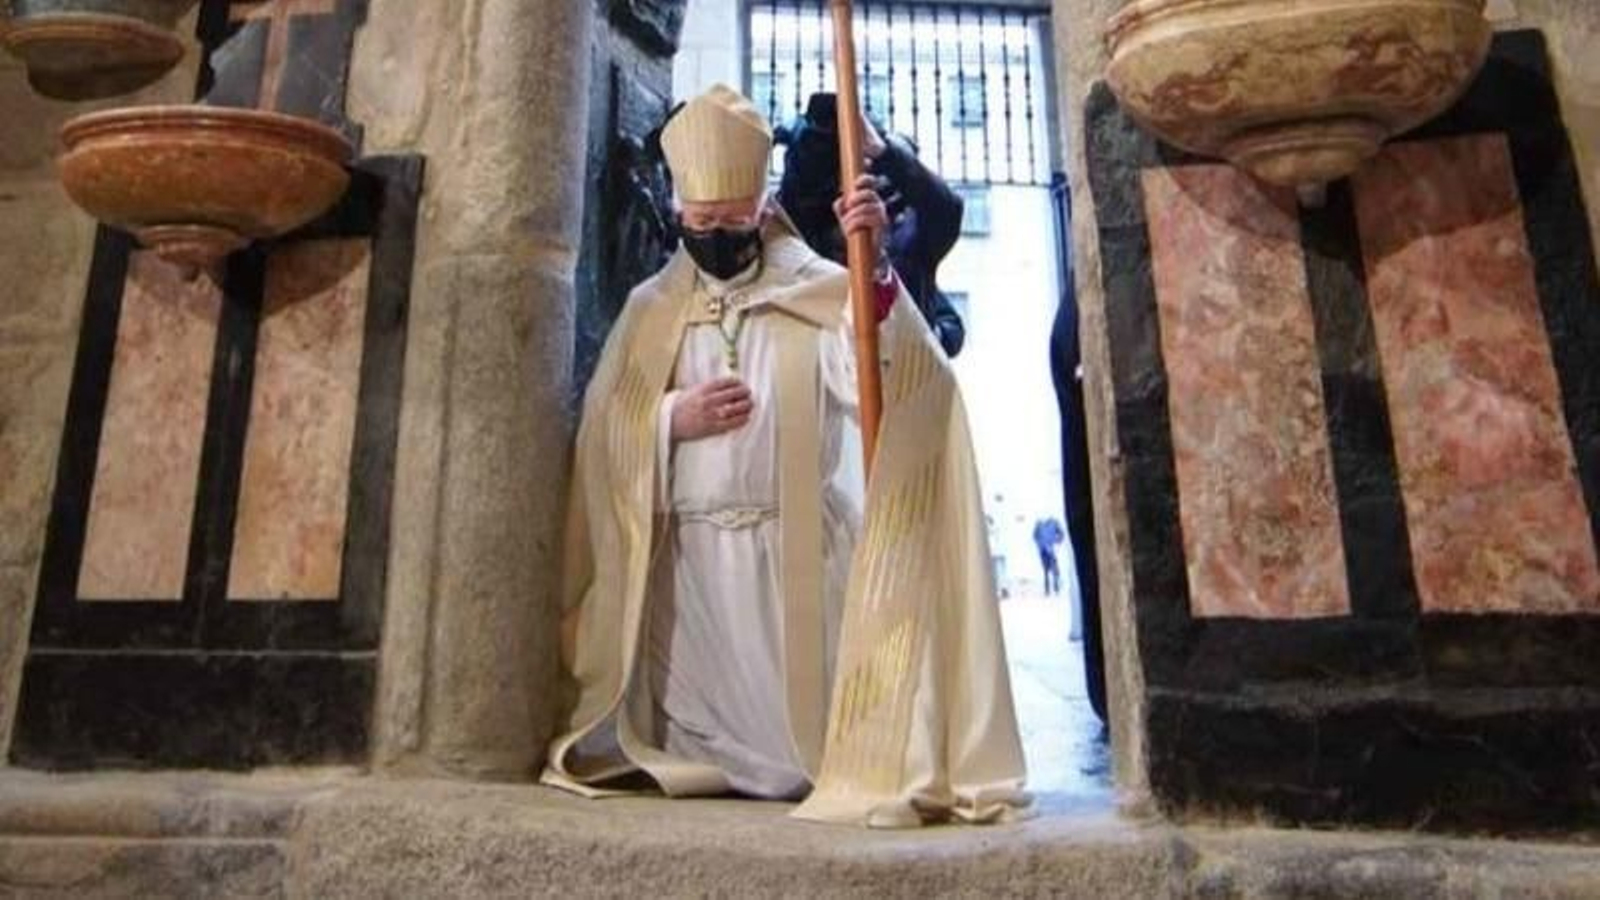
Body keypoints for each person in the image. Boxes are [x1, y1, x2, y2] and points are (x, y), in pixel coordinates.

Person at [543, 85, 1029, 828]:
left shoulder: (818, 289)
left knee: (806, 737)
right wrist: (671, 415)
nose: (717, 235)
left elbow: (885, 384)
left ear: (762, 207)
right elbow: (604, 433)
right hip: (690, 578)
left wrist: (871, 279)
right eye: (701, 223)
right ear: (678, 216)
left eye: (732, 221)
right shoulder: (650, 309)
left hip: (795, 554)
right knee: (693, 740)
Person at [776, 93, 968, 357]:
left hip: (900, 380)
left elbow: (946, 210)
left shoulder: (905, 236)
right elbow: (788, 205)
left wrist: (885, 152)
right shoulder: (803, 238)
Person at [1031, 516, 1065, 597]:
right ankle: (1047, 590)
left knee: (1054, 569)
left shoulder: (1054, 522)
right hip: (1043, 551)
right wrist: (1040, 544)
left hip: (1052, 550)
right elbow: (1034, 536)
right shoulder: (1039, 523)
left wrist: (1056, 541)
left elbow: (1061, 534)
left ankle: (1056, 588)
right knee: (1045, 570)